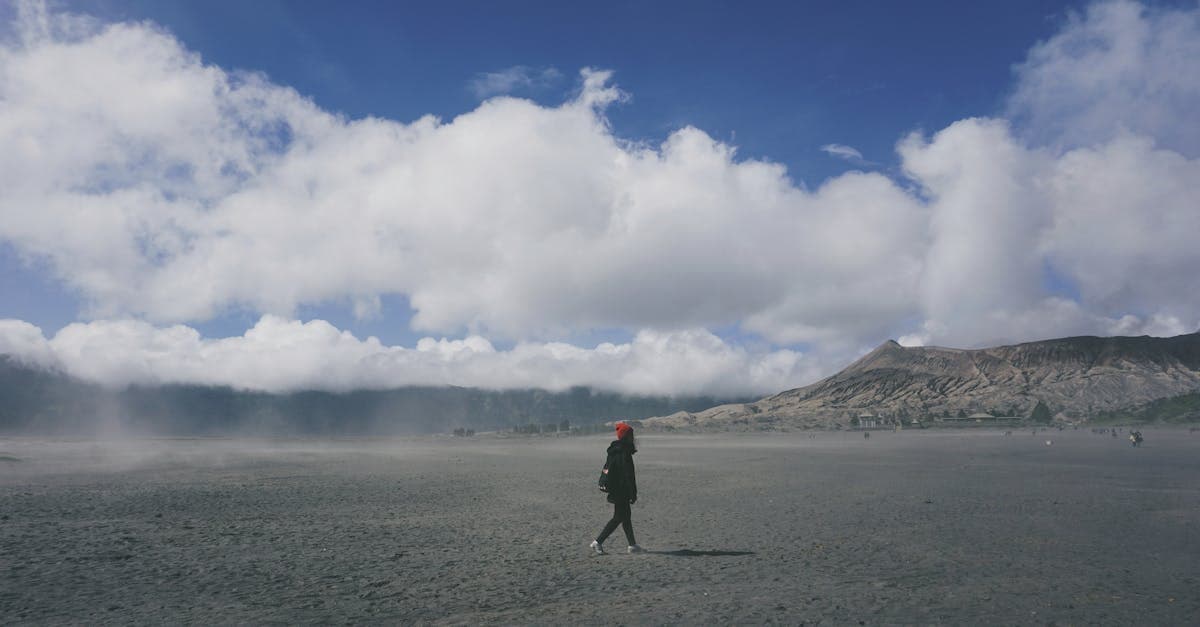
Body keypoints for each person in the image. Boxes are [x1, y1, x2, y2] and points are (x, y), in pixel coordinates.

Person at [591, 421, 642, 555]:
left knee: (626, 517)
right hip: (621, 491)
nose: (633, 438)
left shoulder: (616, 450)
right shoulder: (623, 452)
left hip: (617, 489)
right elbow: (628, 475)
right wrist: (633, 493)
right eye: (631, 435)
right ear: (625, 436)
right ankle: (597, 542)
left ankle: (632, 545)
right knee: (618, 517)